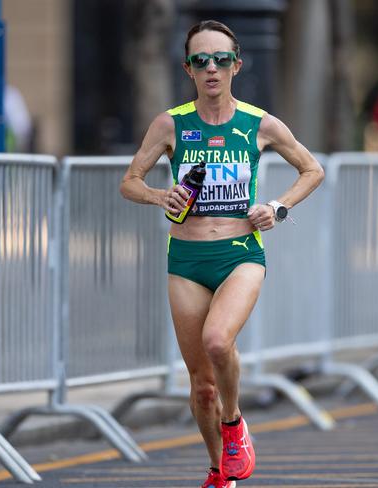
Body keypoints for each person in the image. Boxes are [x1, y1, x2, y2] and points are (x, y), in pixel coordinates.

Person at [119, 20, 324, 487]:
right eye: (200, 60)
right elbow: (129, 182)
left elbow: (312, 170)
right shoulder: (170, 124)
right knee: (200, 384)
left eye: (221, 59)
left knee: (217, 341)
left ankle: (234, 424)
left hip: (239, 254)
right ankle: (219, 472)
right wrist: (160, 196)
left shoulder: (259, 123)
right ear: (189, 69)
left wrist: (278, 206)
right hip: (186, 260)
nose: (211, 68)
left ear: (237, 65)